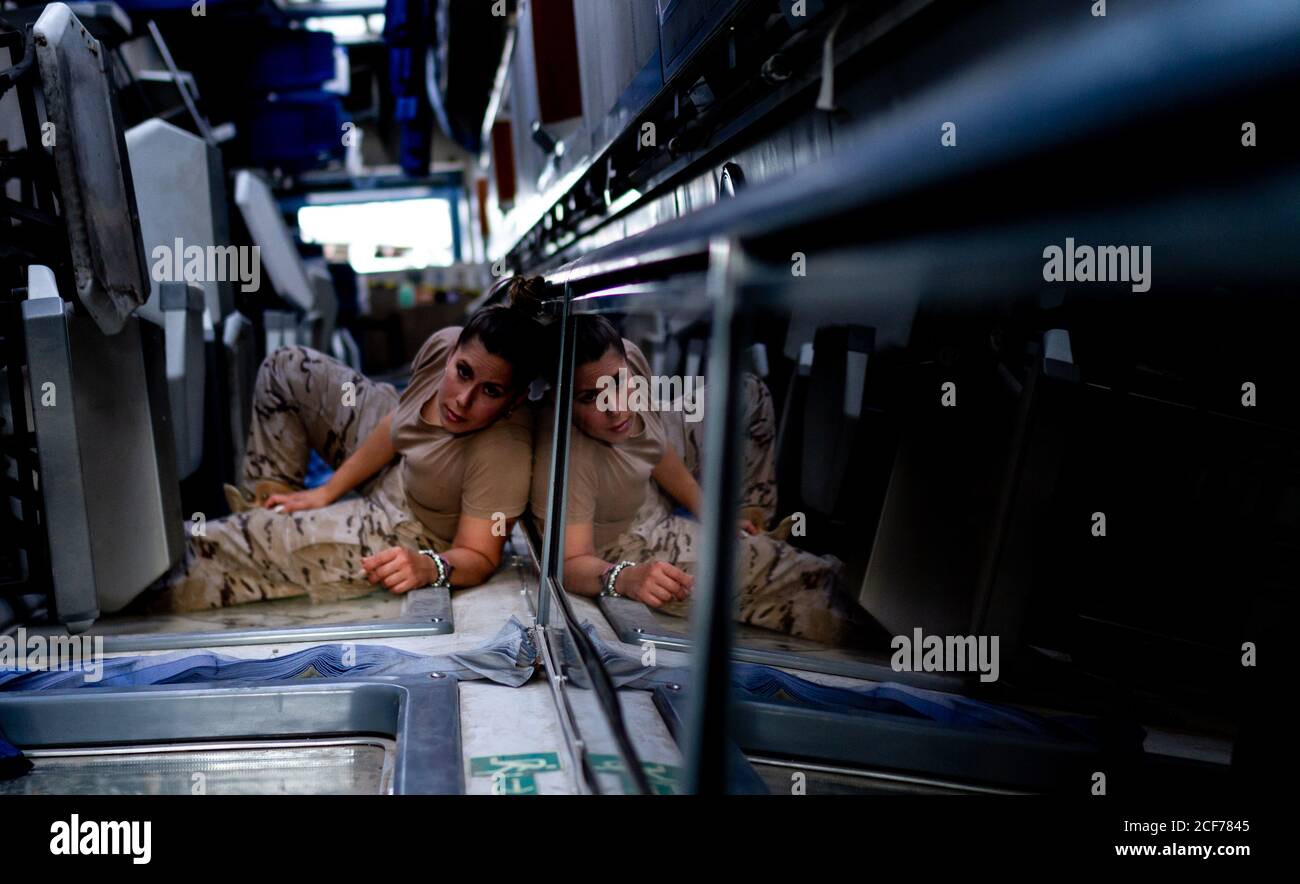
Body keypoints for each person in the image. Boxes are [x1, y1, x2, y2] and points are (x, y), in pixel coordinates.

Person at [139, 277, 547, 612]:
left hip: (408, 524)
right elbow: (396, 424)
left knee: (209, 548)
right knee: (286, 371)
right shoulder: (444, 344)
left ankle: (226, 554)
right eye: (462, 372)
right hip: (400, 464)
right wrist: (325, 492)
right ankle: (271, 521)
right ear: (453, 352)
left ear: (514, 400)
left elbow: (479, 556)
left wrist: (429, 567)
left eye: (490, 391)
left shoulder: (504, 453)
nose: (462, 399)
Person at [529, 315, 867, 645]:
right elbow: (569, 564)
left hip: (639, 480)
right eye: (589, 398)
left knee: (747, 394)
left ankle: (752, 531)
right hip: (625, 533)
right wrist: (625, 577)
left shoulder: (625, 357)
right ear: (560, 399)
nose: (616, 408)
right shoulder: (565, 458)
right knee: (810, 582)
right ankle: (873, 625)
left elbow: (655, 446)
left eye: (619, 382)